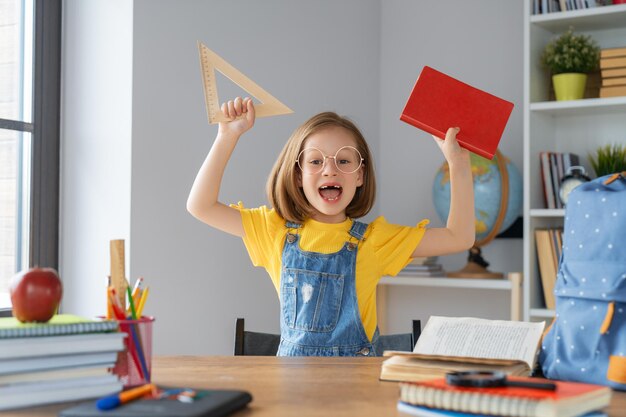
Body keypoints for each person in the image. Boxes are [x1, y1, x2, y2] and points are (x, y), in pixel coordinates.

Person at [187, 97, 475, 356]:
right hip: (291, 393)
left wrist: (458, 165)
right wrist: (227, 135)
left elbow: (459, 237)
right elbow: (200, 206)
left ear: (360, 175)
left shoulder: (375, 241)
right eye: (315, 160)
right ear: (297, 175)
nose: (330, 169)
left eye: (344, 160)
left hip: (357, 393)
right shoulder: (274, 231)